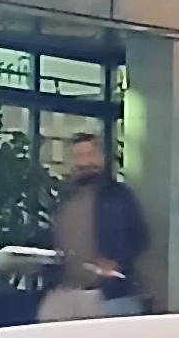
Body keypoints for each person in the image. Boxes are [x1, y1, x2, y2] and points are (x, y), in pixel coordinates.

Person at [40, 131, 148, 318]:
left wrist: (116, 263)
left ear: (101, 158)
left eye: (89, 154)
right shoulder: (64, 198)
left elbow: (138, 236)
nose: (84, 162)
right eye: (78, 156)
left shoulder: (118, 196)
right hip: (66, 290)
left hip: (105, 294)